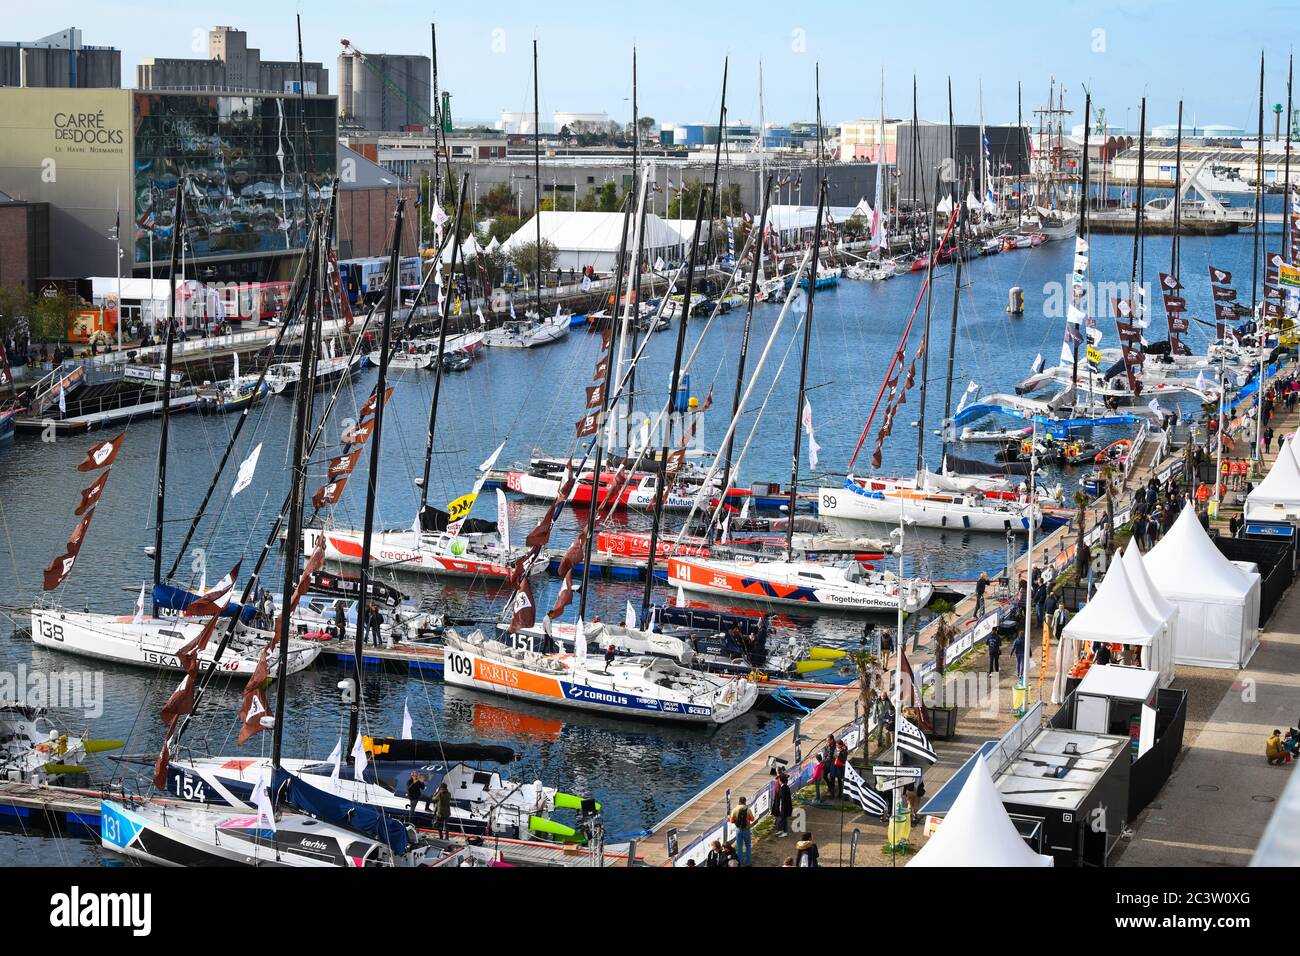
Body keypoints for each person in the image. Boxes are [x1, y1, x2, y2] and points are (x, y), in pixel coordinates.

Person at [772, 771, 793, 837]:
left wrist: (780, 808)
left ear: (780, 781)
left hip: (784, 807)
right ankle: (781, 830)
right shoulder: (785, 787)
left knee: (783, 819)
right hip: (784, 806)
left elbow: (782, 800)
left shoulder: (783, 788)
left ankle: (785, 831)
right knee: (783, 818)